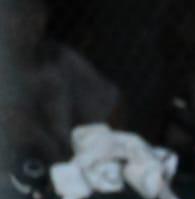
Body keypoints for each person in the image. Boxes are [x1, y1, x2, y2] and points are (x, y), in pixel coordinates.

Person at [0, 0, 121, 165]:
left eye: (36, 13)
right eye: (16, 12)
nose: (27, 22)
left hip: (55, 168)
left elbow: (113, 111)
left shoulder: (63, 61)